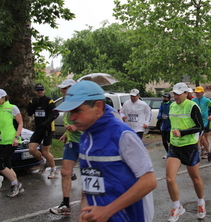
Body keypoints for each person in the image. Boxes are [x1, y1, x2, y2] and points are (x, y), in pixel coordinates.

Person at [54, 81, 156, 222]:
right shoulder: (86, 137)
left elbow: (149, 182)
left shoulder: (122, 135)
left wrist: (108, 210)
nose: (72, 118)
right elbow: (93, 183)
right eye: (71, 112)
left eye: (78, 111)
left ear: (98, 107)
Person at [166, 82, 206, 221]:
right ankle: (177, 207)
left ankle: (201, 202)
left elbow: (200, 126)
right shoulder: (171, 106)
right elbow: (172, 125)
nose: (175, 96)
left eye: (178, 94)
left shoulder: (192, 106)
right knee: (170, 179)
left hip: (189, 146)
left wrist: (182, 133)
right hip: (175, 147)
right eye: (174, 94)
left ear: (186, 94)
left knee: (195, 178)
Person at [50, 79, 81, 215]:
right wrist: (66, 134)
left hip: (87, 144)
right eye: (61, 88)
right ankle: (65, 205)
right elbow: (68, 122)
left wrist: (77, 127)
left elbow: (94, 124)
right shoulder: (66, 103)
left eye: (65, 88)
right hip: (71, 143)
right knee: (65, 172)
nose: (61, 90)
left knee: (91, 176)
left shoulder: (82, 103)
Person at [27, 83, 59, 178]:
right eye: (38, 90)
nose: (39, 92)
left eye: (41, 90)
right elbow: (29, 113)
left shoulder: (49, 101)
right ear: (35, 91)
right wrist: (33, 105)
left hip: (48, 129)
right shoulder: (33, 100)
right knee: (31, 149)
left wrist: (46, 123)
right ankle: (43, 161)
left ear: (44, 91)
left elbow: (55, 114)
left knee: (45, 152)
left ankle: (54, 170)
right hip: (38, 129)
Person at [0, 89, 24, 197]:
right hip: (2, 141)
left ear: (3, 97)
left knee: (1, 163)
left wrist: (16, 137)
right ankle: (17, 184)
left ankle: (15, 184)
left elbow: (20, 123)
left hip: (11, 140)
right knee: (7, 163)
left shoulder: (12, 108)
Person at [192, 86, 211, 162]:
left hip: (204, 122)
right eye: (196, 93)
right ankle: (208, 151)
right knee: (200, 138)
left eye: (198, 93)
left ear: (202, 93)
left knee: (201, 138)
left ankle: (199, 154)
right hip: (195, 122)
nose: (197, 94)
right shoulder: (193, 100)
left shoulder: (206, 100)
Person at [157, 92, 172, 159]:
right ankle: (167, 151)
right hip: (163, 124)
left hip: (170, 124)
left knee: (169, 139)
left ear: (168, 98)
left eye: (166, 97)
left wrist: (169, 116)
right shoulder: (162, 104)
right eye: (164, 97)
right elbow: (160, 111)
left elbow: (173, 112)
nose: (164, 98)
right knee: (164, 140)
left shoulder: (171, 105)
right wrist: (159, 116)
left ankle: (170, 152)